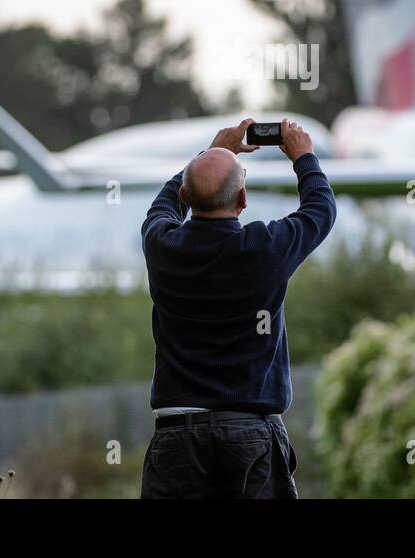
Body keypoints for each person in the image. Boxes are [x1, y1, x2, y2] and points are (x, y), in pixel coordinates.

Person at [139, 117, 336, 498]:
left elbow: (162, 206)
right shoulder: (264, 248)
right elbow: (320, 211)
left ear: (185, 197)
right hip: (250, 431)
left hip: (175, 438)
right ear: (243, 200)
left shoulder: (162, 246)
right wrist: (304, 158)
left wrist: (212, 153)